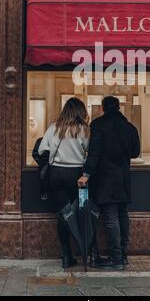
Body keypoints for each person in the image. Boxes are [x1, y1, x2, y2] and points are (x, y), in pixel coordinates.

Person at [78, 96, 141, 271]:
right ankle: (122, 253)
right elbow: (135, 152)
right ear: (119, 107)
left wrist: (87, 174)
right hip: (123, 177)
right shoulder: (130, 127)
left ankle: (116, 258)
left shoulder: (98, 125)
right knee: (122, 214)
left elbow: (94, 152)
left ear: (103, 108)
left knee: (111, 218)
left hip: (105, 179)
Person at [39, 97, 89, 269]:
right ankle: (84, 251)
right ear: (81, 111)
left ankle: (66, 255)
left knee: (63, 216)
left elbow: (41, 150)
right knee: (79, 213)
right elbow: (90, 151)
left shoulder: (54, 128)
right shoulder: (84, 129)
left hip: (56, 174)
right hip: (77, 174)